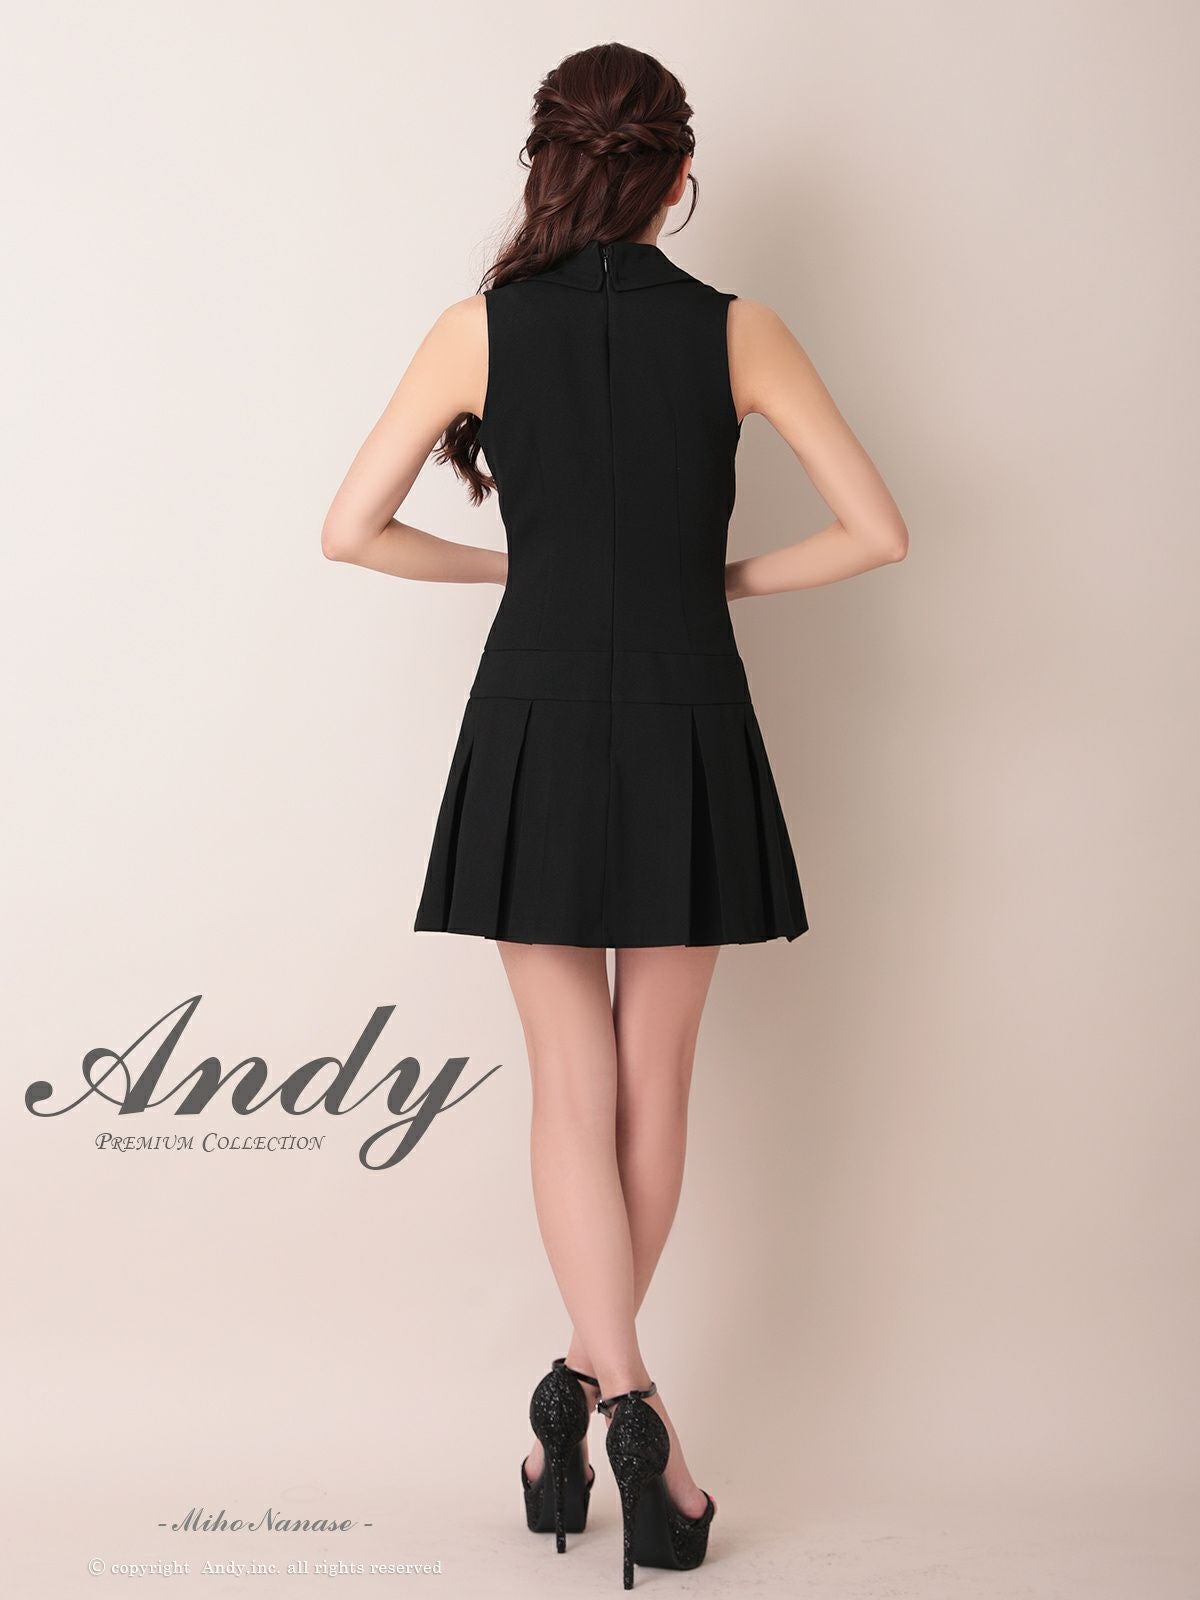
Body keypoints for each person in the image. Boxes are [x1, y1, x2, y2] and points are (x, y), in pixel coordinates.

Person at [321, 40, 907, 1591]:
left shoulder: (477, 328)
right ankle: (620, 1405)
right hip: (685, 713)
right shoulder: (738, 328)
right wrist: (718, 584)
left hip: (531, 717)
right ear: (677, 175)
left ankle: (594, 1399)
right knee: (656, 1086)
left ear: (548, 165)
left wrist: (518, 571)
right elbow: (878, 531)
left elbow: (349, 530)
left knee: (570, 1093)